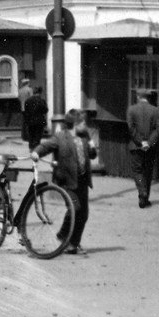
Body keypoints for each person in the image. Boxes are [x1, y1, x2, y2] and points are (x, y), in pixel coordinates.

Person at [31, 109, 98, 255]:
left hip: (82, 180)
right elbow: (46, 146)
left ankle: (73, 244)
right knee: (75, 208)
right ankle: (63, 234)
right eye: (83, 122)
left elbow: (92, 156)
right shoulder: (61, 137)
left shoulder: (84, 136)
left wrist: (92, 145)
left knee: (84, 214)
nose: (85, 124)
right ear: (75, 123)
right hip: (66, 180)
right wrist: (37, 152)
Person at [126, 88, 159, 208]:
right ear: (149, 98)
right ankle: (145, 199)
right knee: (148, 172)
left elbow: (131, 129)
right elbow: (158, 129)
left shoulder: (131, 110)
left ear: (138, 96)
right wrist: (149, 142)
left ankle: (142, 192)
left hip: (136, 147)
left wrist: (140, 142)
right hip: (150, 148)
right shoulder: (156, 110)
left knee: (137, 171)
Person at [22, 84, 48, 151]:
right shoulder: (42, 101)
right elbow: (45, 110)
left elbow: (26, 111)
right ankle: (36, 149)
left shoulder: (28, 100)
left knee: (31, 134)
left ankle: (31, 147)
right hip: (39, 121)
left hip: (30, 121)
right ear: (40, 92)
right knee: (38, 135)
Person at [16, 78, 33, 144]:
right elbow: (32, 99)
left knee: (24, 123)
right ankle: (29, 137)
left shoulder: (20, 90)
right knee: (29, 123)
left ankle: (23, 136)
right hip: (29, 108)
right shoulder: (29, 89)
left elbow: (18, 98)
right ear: (27, 83)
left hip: (22, 108)